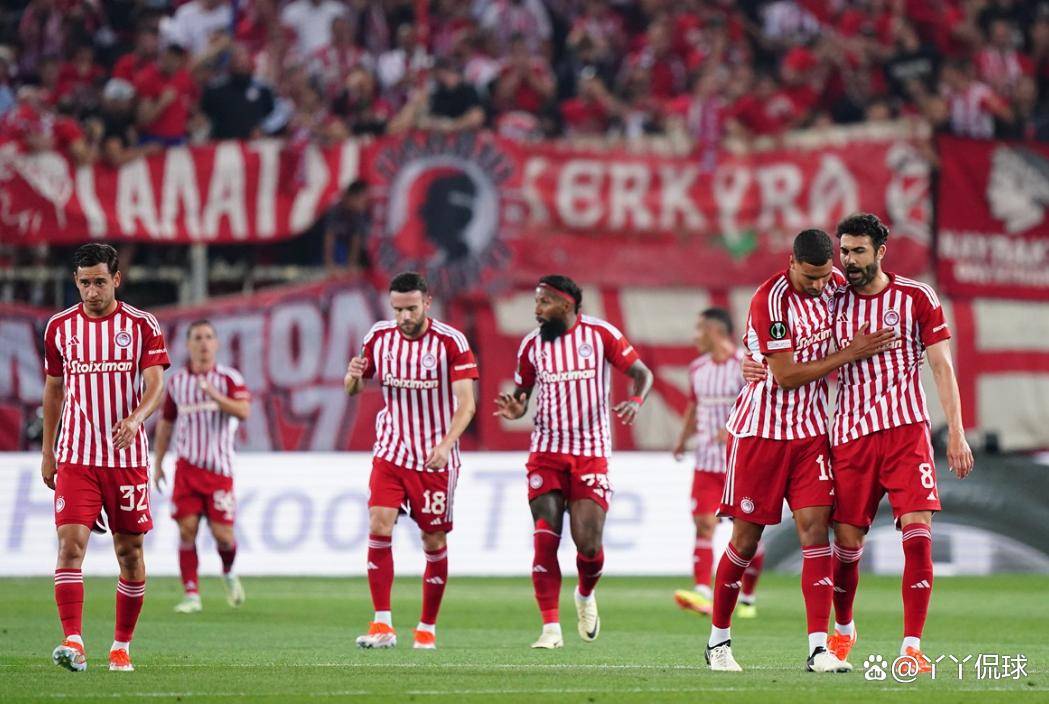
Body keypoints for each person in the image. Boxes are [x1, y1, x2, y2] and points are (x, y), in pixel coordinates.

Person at [705, 229, 893, 673]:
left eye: (824, 275)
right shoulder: (770, 302)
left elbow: (870, 289)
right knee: (745, 541)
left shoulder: (834, 283)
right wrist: (849, 353)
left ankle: (818, 649)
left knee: (816, 531)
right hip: (760, 434)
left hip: (810, 434)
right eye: (810, 277)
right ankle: (718, 642)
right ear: (791, 262)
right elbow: (787, 377)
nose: (818, 284)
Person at [814, 213, 974, 670]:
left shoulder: (916, 297)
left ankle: (911, 647)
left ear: (881, 252)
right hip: (850, 437)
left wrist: (956, 432)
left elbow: (941, 366)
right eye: (844, 251)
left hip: (906, 433)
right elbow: (794, 343)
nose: (849, 260)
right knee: (846, 545)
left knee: (918, 536)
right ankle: (844, 628)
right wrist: (754, 362)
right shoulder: (830, 300)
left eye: (858, 251)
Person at [494, 275, 654, 649]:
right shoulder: (531, 346)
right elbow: (521, 396)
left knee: (589, 547)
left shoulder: (600, 335)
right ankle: (550, 628)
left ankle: (584, 594)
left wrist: (636, 401)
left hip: (590, 455)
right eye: (536, 301)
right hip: (546, 454)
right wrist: (517, 409)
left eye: (544, 302)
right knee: (545, 536)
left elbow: (641, 373)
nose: (536, 309)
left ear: (566, 305)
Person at [41, 243, 170, 672]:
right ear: (75, 282)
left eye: (100, 282)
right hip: (76, 455)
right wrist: (48, 451)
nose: (92, 291)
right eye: (84, 283)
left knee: (129, 553)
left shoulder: (141, 325)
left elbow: (156, 384)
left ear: (116, 279)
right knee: (69, 546)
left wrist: (135, 419)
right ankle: (73, 641)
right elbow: (54, 389)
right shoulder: (59, 328)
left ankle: (121, 647)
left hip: (126, 459)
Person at [344, 272, 478, 650]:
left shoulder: (451, 342)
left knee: (432, 540)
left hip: (435, 459)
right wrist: (353, 378)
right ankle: (382, 624)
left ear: (427, 303)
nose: (404, 317)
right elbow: (354, 387)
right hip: (391, 451)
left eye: (411, 309)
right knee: (378, 523)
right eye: (398, 309)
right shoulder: (379, 337)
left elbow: (467, 404)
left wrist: (446, 445)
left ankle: (426, 628)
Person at [153, 320, 251, 614]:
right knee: (187, 530)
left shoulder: (229, 379)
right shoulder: (177, 383)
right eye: (197, 338)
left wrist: (215, 397)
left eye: (209, 337)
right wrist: (158, 463)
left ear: (216, 343)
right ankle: (191, 594)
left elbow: (244, 411)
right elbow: (166, 424)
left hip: (219, 471)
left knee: (224, 537)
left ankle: (228, 572)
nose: (204, 343)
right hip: (187, 468)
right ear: (188, 344)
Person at [672, 308, 763, 619]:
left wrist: (732, 426)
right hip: (707, 462)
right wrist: (682, 438)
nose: (695, 336)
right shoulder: (697, 368)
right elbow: (694, 405)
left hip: (741, 462)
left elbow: (759, 400)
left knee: (748, 533)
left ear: (715, 331)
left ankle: (747, 597)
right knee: (703, 523)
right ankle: (702, 592)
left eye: (700, 330)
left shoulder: (744, 364)